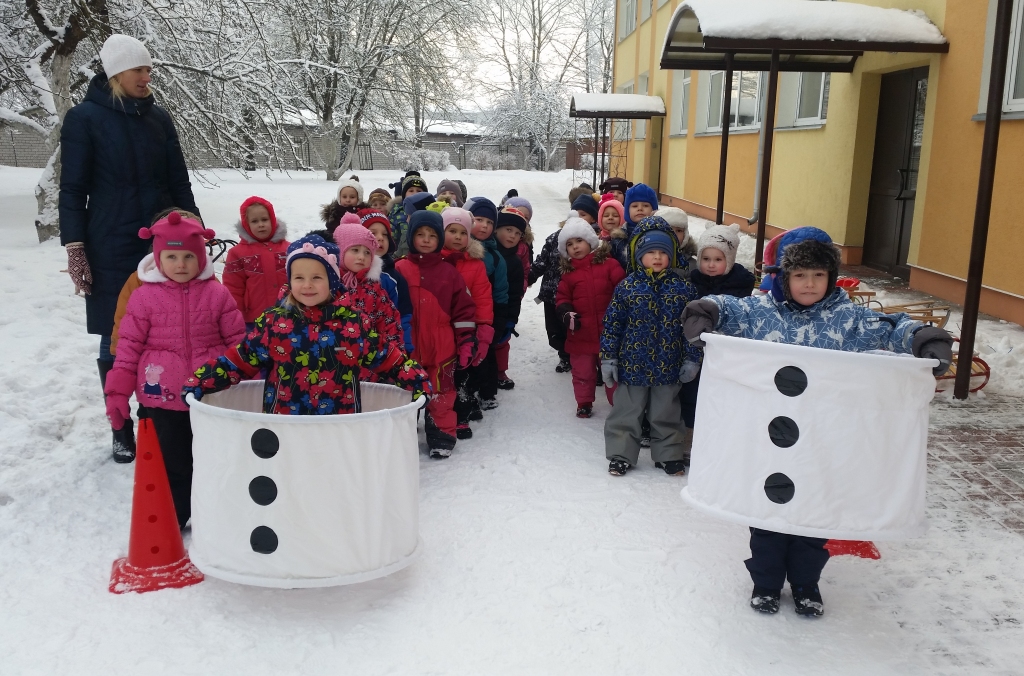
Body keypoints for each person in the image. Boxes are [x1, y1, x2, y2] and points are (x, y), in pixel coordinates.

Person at [682, 231, 954, 617]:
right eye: (800, 275)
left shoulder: (848, 319)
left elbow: (890, 327)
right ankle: (766, 583)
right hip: (770, 437)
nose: (809, 284)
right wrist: (707, 310)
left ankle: (806, 583)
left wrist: (922, 337)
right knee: (767, 516)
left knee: (814, 517)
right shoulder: (762, 312)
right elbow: (730, 308)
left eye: (819, 275)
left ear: (831, 277)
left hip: (822, 441)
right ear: (783, 277)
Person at [60, 34, 199, 463]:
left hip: (164, 239)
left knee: (168, 326)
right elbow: (73, 188)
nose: (146, 77)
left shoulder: (159, 118)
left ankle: (156, 415)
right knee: (115, 331)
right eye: (139, 69)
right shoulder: (83, 119)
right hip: (109, 242)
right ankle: (119, 425)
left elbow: (178, 180)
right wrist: (75, 245)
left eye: (148, 69)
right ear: (117, 73)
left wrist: (194, 228)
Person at [104, 212, 245, 528]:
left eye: (188, 257)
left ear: (201, 257)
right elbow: (128, 348)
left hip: (211, 398)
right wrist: (117, 393)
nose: (180, 264)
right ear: (158, 259)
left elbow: (238, 344)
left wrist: (252, 383)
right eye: (171, 257)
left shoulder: (217, 293)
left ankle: (214, 518)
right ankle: (175, 518)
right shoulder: (143, 298)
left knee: (213, 460)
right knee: (172, 463)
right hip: (161, 400)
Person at [187, 234, 429, 416]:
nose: (307, 285)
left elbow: (388, 359)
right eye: (299, 278)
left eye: (317, 278)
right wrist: (201, 381)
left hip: (339, 425)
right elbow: (240, 361)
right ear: (290, 280)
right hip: (285, 425)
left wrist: (417, 380)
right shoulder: (274, 322)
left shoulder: (353, 324)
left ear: (332, 282)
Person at [601, 216, 701, 477]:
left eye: (663, 252)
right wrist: (608, 357)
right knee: (626, 412)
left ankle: (669, 454)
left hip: (668, 364)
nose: (657, 257)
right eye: (651, 252)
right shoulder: (627, 288)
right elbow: (612, 324)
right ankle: (621, 454)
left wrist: (692, 358)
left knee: (666, 414)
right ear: (638, 254)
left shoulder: (684, 290)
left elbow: (692, 329)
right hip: (631, 365)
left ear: (672, 255)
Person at [395, 210, 478, 458]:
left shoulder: (449, 272)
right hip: (408, 345)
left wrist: (466, 341)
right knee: (404, 392)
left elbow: (463, 310)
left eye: (432, 235)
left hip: (442, 345)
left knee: (442, 392)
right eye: (420, 234)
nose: (426, 239)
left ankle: (441, 435)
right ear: (411, 237)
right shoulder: (399, 268)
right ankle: (402, 435)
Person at [555, 214, 625, 418]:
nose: (575, 247)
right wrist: (566, 312)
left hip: (608, 333)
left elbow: (622, 291)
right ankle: (584, 402)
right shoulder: (568, 274)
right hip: (581, 333)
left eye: (579, 240)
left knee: (612, 372)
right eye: (569, 244)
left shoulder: (610, 265)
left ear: (590, 241)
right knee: (582, 372)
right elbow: (562, 298)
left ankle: (618, 403)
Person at [441, 206, 494, 439]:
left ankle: (463, 409)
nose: (458, 237)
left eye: (463, 232)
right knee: (444, 372)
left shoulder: (475, 264)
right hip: (440, 326)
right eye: (452, 231)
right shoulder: (434, 261)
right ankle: (448, 411)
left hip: (466, 327)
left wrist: (483, 326)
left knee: (464, 370)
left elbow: (482, 297)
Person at [530, 185, 595, 373]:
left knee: (573, 329)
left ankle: (573, 357)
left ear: (593, 218)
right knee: (554, 331)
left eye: (584, 215)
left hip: (576, 297)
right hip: (550, 295)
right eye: (576, 213)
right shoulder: (555, 238)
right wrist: (529, 276)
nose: (578, 218)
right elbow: (542, 261)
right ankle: (563, 353)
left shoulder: (592, 243)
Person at [332, 214, 406, 379]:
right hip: (332, 370)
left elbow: (389, 323)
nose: (362, 257)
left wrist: (394, 360)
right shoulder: (328, 286)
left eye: (367, 252)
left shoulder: (374, 289)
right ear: (340, 251)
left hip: (369, 370)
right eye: (355, 250)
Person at [464, 196, 508, 412]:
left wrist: (499, 319)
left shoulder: (495, 257)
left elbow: (501, 291)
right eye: (479, 220)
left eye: (490, 222)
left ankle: (487, 392)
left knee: (485, 354)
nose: (484, 226)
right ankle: (467, 392)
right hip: (460, 315)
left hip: (486, 314)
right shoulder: (456, 249)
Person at [223, 196, 290, 329]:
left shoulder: (288, 249)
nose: (261, 225)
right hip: (254, 317)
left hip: (287, 313)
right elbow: (233, 287)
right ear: (246, 225)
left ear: (272, 220)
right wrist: (236, 314)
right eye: (254, 221)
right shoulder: (237, 253)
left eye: (264, 219)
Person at [485, 207, 528, 400]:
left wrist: (511, 318)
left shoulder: (515, 262)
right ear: (496, 229)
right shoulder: (486, 253)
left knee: (502, 343)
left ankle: (500, 372)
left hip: (503, 309)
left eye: (517, 233)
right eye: (508, 230)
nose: (512, 236)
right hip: (484, 307)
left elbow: (515, 293)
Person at [358, 208, 414, 354]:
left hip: (386, 350)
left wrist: (405, 348)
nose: (380, 238)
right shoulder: (347, 276)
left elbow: (404, 316)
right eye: (373, 233)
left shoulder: (394, 278)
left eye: (385, 234)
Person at [388, 171, 429, 256]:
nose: (415, 193)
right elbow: (391, 238)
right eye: (411, 190)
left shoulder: (429, 212)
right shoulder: (396, 212)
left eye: (419, 191)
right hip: (402, 255)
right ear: (404, 194)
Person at [656, 206, 697, 271]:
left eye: (679, 230)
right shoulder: (645, 258)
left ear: (685, 235)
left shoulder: (692, 266)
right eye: (668, 229)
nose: (673, 234)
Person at [598, 193, 628, 270]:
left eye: (615, 215)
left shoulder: (622, 241)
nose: (610, 218)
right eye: (606, 215)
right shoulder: (596, 239)